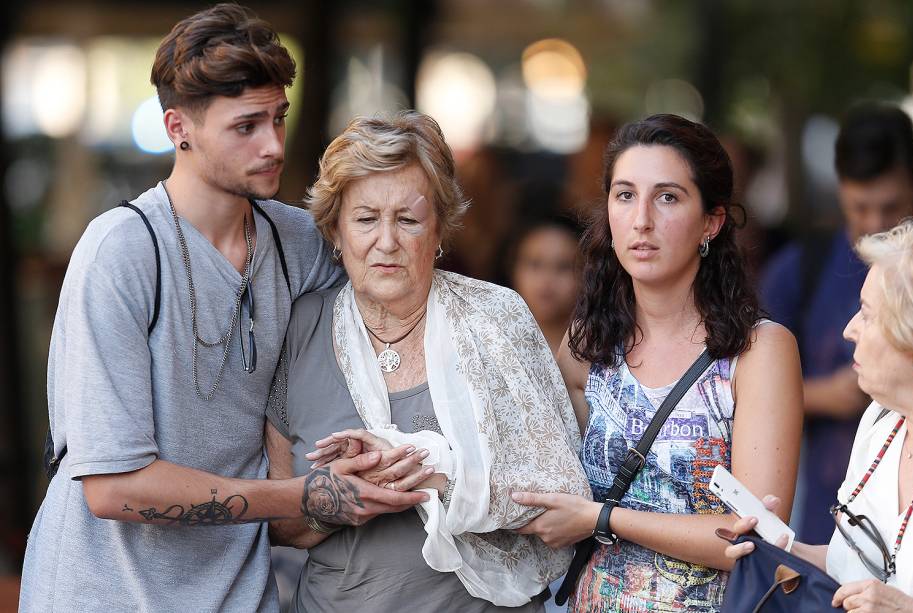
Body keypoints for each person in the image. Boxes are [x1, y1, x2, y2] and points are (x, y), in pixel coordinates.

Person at [19, 5, 427, 611]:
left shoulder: (299, 244)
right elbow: (110, 488)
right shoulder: (122, 252)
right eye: (246, 127)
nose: (272, 145)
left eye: (278, 119)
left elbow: (401, 292)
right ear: (177, 128)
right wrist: (302, 495)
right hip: (103, 592)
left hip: (239, 592)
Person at [264, 111, 592, 612]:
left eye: (408, 220)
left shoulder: (496, 316)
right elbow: (280, 524)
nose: (387, 241)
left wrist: (427, 469)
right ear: (335, 231)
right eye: (366, 218)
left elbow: (562, 496)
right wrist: (342, 498)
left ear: (439, 229)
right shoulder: (300, 328)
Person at [511, 114, 804, 612]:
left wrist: (603, 518)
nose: (641, 219)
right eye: (625, 195)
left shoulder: (758, 350)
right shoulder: (591, 340)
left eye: (667, 197)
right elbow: (543, 478)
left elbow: (753, 540)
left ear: (711, 221)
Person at [726, 218, 913, 611]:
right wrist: (778, 548)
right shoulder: (881, 422)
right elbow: (849, 569)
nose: (849, 330)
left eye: (866, 313)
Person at [761, 104, 913, 544]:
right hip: (826, 506)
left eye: (891, 207)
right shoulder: (799, 271)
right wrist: (828, 395)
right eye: (859, 207)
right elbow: (741, 382)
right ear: (839, 191)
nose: (874, 225)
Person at [508, 216, 582, 351]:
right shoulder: (495, 346)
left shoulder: (601, 354)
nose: (546, 279)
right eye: (535, 264)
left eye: (563, 266)